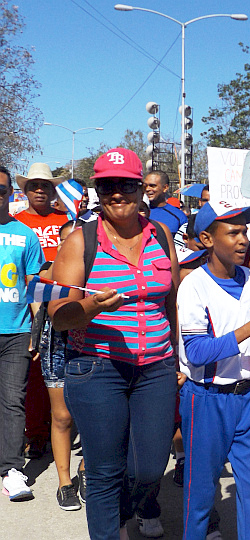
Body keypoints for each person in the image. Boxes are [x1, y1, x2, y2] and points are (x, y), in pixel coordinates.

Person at [48, 148, 179, 540]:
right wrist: (88, 306)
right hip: (97, 368)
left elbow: (169, 300)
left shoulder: (160, 234)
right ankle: (108, 530)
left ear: (142, 189)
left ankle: (120, 517)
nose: (116, 193)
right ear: (98, 190)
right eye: (106, 185)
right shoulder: (80, 241)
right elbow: (58, 316)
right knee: (105, 472)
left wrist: (178, 360)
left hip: (155, 368)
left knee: (150, 469)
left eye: (125, 185)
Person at [177, 200, 250, 540]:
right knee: (200, 496)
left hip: (248, 398)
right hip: (206, 400)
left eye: (245, 231)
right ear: (207, 239)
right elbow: (196, 353)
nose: (243, 240)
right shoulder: (193, 285)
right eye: (234, 232)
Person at [15, 162, 69, 459]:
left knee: (63, 370)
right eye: (34, 185)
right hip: (28, 306)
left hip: (63, 304)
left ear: (52, 190)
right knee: (35, 372)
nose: (39, 190)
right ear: (25, 190)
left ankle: (61, 426)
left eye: (45, 186)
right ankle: (35, 433)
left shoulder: (68, 220)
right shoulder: (15, 223)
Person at [32, 219, 85, 510]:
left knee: (95, 414)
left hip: (92, 342)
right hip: (57, 344)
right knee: (62, 416)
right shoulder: (49, 270)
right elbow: (37, 303)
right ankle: (65, 482)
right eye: (64, 240)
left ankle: (87, 471)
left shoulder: (96, 266)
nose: (70, 246)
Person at [0, 164, 45, 501]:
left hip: (16, 332)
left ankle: (12, 470)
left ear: (9, 194)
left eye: (2, 190)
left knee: (13, 402)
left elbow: (34, 289)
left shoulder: (26, 235)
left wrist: (37, 332)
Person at [143, 170, 187, 235]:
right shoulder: (135, 212)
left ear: (165, 188)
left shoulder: (178, 216)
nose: (147, 189)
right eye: (145, 186)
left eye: (152, 186)